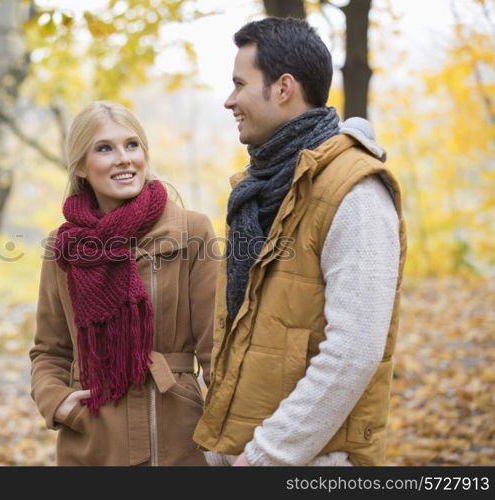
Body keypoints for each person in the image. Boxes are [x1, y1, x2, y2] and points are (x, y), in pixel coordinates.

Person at [194, 17, 407, 466]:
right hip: (242, 452)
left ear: (284, 87)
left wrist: (265, 457)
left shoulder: (355, 192)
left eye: (239, 84)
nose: (228, 100)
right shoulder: (259, 190)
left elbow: (354, 352)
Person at [29, 100, 219, 465]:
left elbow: (217, 347)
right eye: (104, 148)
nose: (123, 159)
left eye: (132, 145)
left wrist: (233, 435)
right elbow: (49, 350)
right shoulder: (63, 246)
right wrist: (59, 403)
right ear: (82, 166)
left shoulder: (191, 231)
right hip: (93, 439)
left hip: (177, 435)